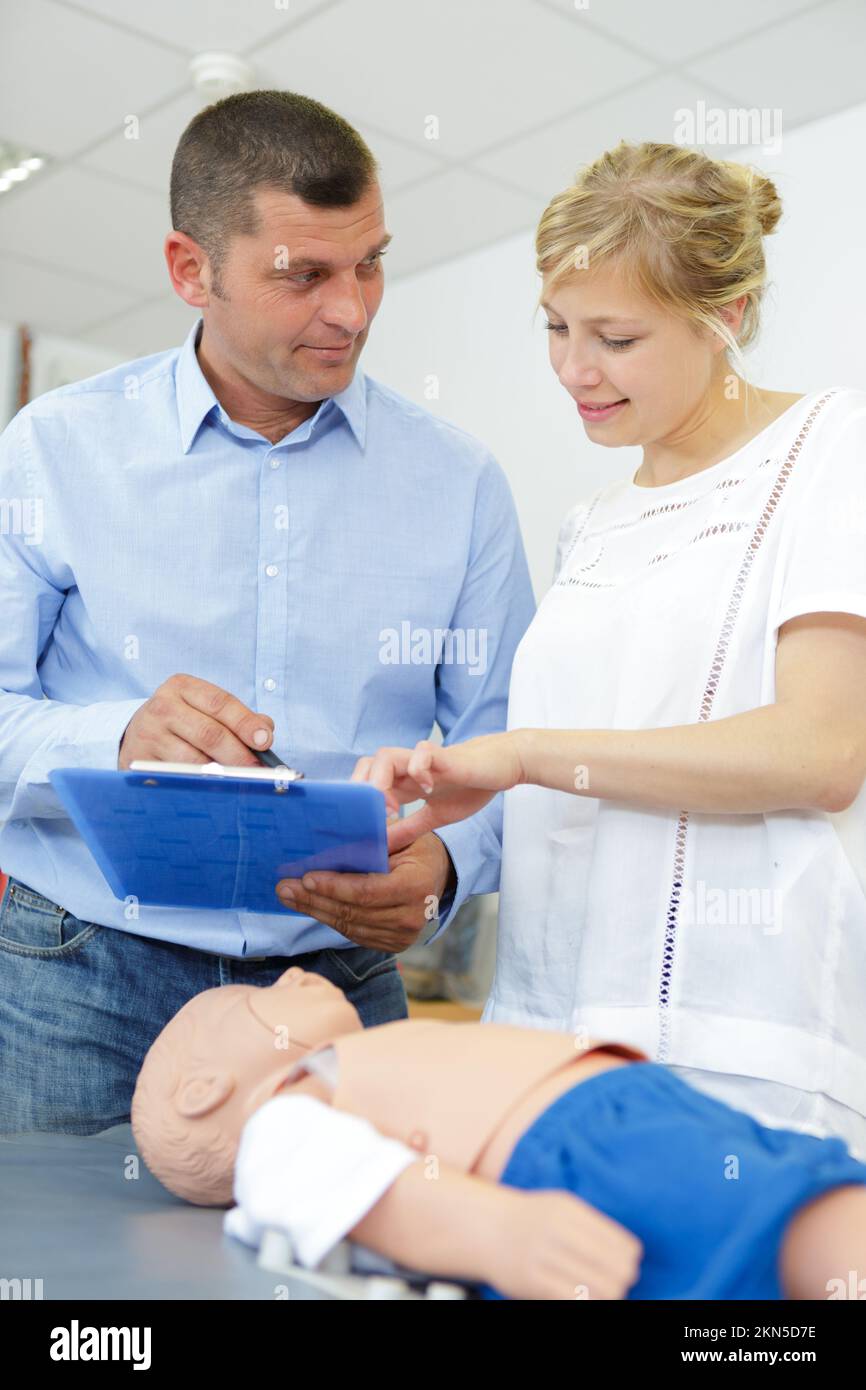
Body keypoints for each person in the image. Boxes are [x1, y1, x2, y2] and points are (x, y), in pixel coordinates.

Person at [0, 90, 535, 1134]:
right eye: (305, 275)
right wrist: (113, 735)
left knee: (341, 1284)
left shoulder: (460, 483)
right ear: (189, 270)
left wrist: (449, 867)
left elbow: (506, 749)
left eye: (370, 261)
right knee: (63, 1277)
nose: (355, 310)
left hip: (337, 988)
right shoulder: (50, 451)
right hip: (77, 978)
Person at [339, 141, 866, 1159]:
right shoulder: (591, 522)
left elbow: (822, 751)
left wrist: (528, 752)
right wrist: (456, 788)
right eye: (554, 326)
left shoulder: (830, 452)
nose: (572, 369)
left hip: (737, 1043)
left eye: (614, 337)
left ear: (727, 319)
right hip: (550, 1039)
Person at [130, 966, 866, 1301]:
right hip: (584, 1158)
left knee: (807, 1203)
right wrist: (497, 1233)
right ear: (206, 1093)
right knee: (795, 1224)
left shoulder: (354, 1070)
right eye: (261, 998)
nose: (292, 973)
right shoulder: (285, 1121)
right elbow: (351, 1184)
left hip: (635, 1114)